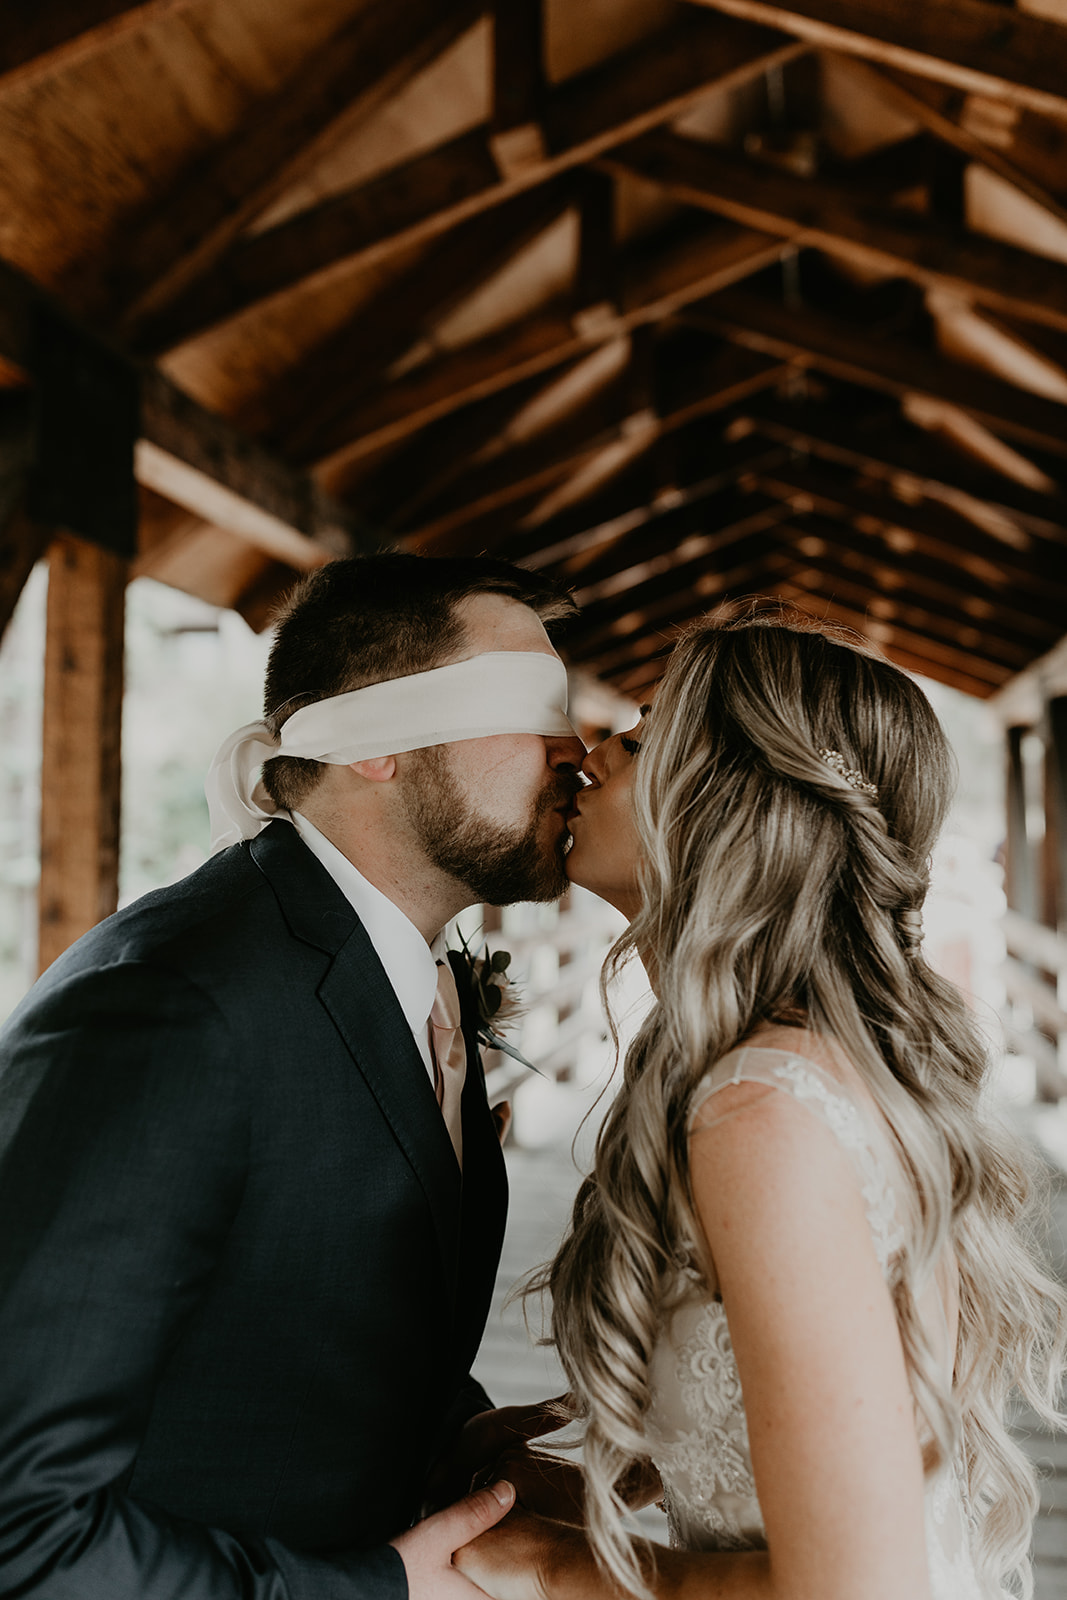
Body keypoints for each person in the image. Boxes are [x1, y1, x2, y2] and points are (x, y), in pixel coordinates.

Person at [0, 552, 588, 1600]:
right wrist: (372, 1591)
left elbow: (287, 1308)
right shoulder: (172, 1009)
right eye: (527, 702)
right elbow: (21, 1525)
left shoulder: (408, 974)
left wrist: (447, 1430)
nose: (576, 747)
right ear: (375, 744)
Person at [456, 612, 1067, 1600]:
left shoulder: (763, 1108)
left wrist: (555, 1565)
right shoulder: (793, 1071)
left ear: (729, 805)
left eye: (646, 736)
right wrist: (582, 1495)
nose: (591, 752)